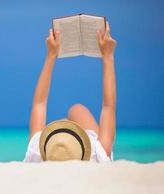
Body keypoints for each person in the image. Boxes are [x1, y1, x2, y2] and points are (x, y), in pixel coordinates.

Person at [24, 22, 117, 162]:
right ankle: (65, 124)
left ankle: (64, 124)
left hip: (67, 146)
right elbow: (108, 106)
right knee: (77, 109)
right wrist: (108, 55)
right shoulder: (97, 153)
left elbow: (39, 103)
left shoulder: (36, 152)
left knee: (72, 113)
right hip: (83, 143)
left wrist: (50, 55)